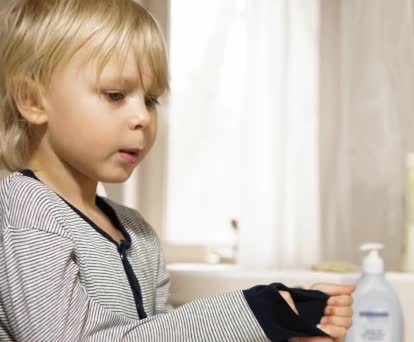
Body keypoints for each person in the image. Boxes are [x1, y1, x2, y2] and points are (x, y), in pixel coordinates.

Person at [0, 0, 354, 341]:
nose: (142, 117)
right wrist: (257, 313)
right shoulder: (26, 210)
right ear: (32, 100)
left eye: (151, 99)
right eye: (115, 94)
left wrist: (280, 328)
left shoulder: (138, 232)